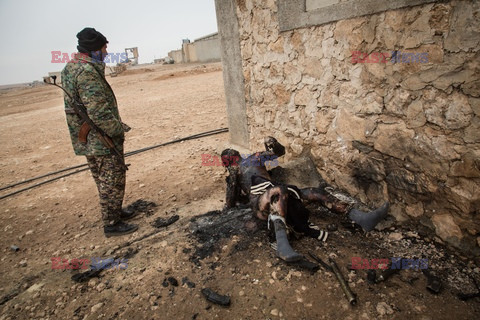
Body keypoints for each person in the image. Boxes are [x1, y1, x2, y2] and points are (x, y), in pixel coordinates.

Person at [221, 137, 389, 262]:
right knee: (278, 191)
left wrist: (273, 143)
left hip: (281, 194)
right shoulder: (236, 174)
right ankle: (282, 243)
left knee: (314, 192)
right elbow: (230, 204)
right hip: (262, 203)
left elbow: (278, 153)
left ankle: (359, 217)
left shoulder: (254, 158)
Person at [61, 27, 138, 237]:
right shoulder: (87, 72)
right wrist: (117, 131)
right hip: (100, 138)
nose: (106, 52)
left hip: (88, 138)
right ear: (94, 49)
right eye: (104, 48)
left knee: (103, 179)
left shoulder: (71, 67)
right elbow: (98, 112)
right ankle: (112, 223)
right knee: (112, 179)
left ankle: (115, 212)